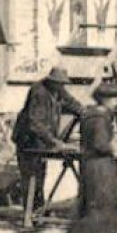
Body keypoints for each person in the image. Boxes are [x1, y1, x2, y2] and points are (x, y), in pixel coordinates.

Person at [12, 65, 84, 214]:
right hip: (27, 140)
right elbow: (35, 124)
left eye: (63, 84)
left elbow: (73, 104)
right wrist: (55, 142)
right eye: (59, 84)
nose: (62, 87)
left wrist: (88, 114)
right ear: (52, 82)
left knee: (41, 175)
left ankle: (38, 210)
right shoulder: (39, 92)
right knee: (31, 177)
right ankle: (30, 214)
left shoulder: (58, 90)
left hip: (40, 141)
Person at [67, 83, 117, 233]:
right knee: (103, 204)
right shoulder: (99, 118)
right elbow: (100, 143)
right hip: (100, 167)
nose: (115, 102)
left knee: (94, 204)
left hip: (92, 165)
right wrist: (112, 149)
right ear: (106, 99)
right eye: (114, 98)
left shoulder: (89, 114)